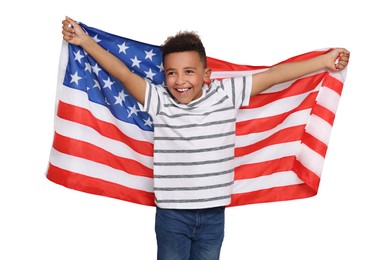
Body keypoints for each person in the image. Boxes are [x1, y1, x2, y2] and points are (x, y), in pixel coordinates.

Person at [61, 16, 350, 260]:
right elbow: (122, 72)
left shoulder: (226, 94)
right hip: (172, 215)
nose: (180, 80)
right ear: (164, 76)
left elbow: (274, 75)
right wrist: (85, 41)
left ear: (206, 74)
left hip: (213, 215)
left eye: (189, 71)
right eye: (171, 73)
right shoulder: (159, 99)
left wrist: (324, 61)